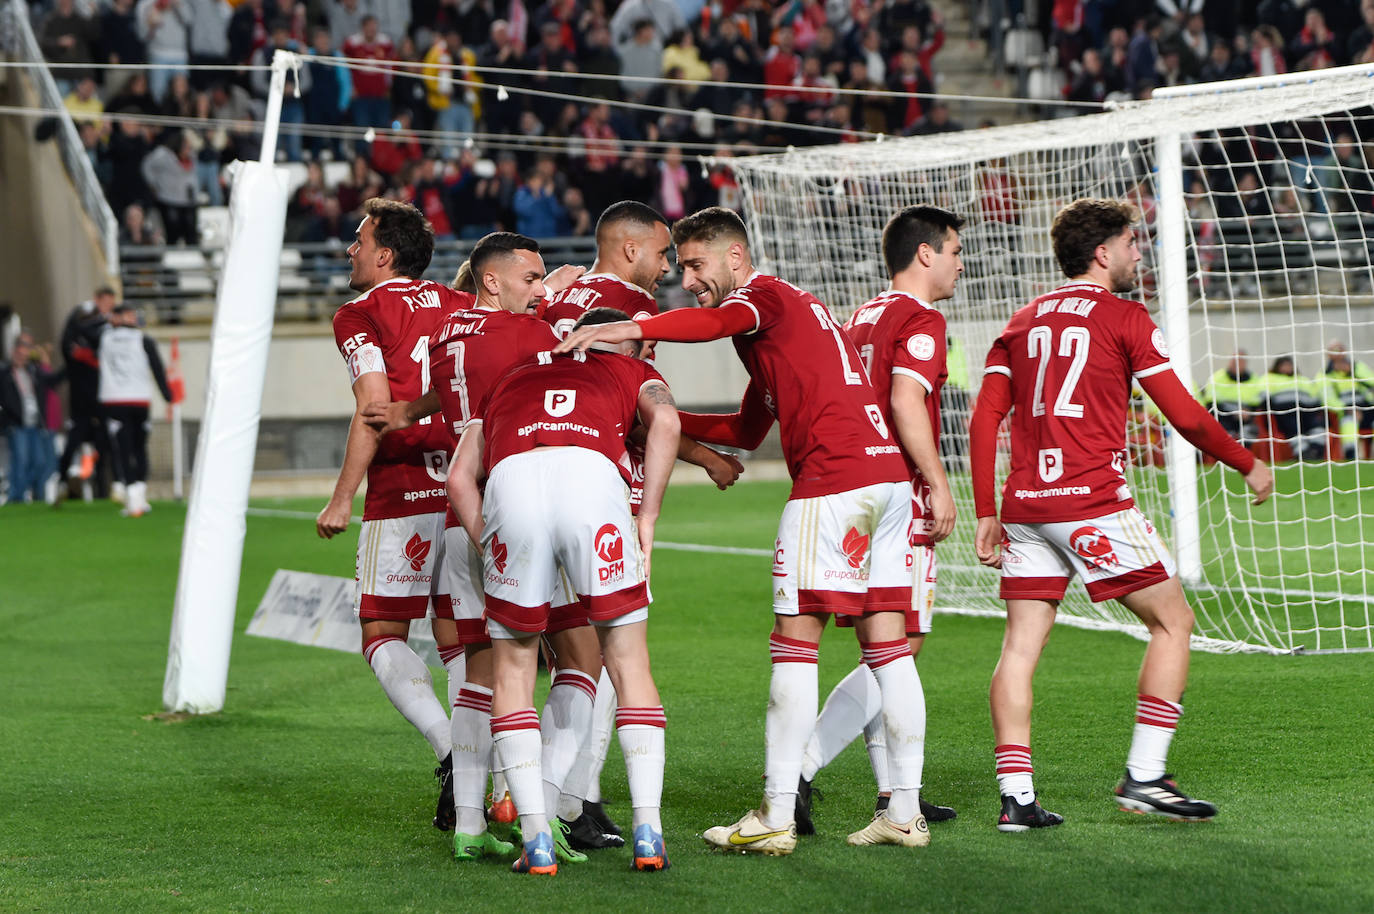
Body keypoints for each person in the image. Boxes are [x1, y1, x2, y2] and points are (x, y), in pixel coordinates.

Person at [559, 206, 931, 853]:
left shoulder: (760, 297)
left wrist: (631, 327)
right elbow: (746, 428)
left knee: (795, 642)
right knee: (888, 649)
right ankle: (903, 812)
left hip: (836, 482)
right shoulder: (793, 319)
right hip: (888, 483)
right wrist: (662, 415)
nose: (689, 280)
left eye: (697, 265)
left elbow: (713, 319)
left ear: (735, 257)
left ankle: (776, 813)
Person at [969, 198, 1273, 831]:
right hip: (1090, 501)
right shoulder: (1124, 317)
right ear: (1103, 253)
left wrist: (985, 510)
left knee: (1020, 647)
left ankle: (1017, 797)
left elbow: (983, 419)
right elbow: (1184, 414)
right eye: (1133, 243)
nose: (1140, 253)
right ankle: (1145, 775)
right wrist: (1247, 461)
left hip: (1024, 504)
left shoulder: (1019, 321)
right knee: (1174, 623)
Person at [537, 201, 745, 851]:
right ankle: (573, 801)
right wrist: (707, 456)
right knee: (603, 656)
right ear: (630, 251)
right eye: (663, 256)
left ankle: (509, 793)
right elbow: (635, 409)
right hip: (602, 491)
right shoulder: (628, 312)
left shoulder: (549, 301)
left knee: (536, 657)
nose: (668, 271)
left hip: (522, 481)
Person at [448, 306, 681, 875]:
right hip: (590, 478)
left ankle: (537, 840)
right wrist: (647, 515)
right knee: (627, 663)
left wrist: (490, 542)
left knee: (514, 669)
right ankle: (648, 832)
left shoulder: (512, 376)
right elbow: (669, 425)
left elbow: (458, 478)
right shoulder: (631, 369)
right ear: (624, 343)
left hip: (512, 484)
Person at [796, 205, 963, 832]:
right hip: (895, 494)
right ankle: (800, 772)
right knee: (899, 645)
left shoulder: (860, 316)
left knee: (881, 643)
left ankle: (895, 794)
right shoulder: (920, 318)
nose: (958, 263)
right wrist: (938, 483)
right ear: (925, 254)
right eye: (952, 250)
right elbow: (905, 398)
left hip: (849, 490)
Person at [317, 198, 473, 834]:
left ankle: (449, 752)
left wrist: (342, 495)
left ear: (384, 254)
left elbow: (374, 406)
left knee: (380, 629)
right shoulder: (460, 306)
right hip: (468, 486)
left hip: (404, 485)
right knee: (460, 634)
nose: (350, 250)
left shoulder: (359, 313)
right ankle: (483, 771)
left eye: (359, 240)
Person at [97, 305, 173, 517]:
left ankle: (134, 497)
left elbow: (79, 333)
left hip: (115, 401)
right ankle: (137, 496)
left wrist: (107, 319)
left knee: (124, 450)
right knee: (138, 449)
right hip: (138, 401)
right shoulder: (142, 339)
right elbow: (158, 368)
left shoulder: (104, 337)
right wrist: (167, 395)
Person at [59, 286, 120, 500]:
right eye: (105, 302)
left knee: (106, 443)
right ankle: (63, 482)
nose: (108, 308)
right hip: (82, 397)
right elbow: (72, 342)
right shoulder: (85, 318)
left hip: (103, 396)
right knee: (74, 440)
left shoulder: (109, 326)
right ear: (97, 300)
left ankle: (109, 488)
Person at [1, 331, 65, 505]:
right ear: (15, 349)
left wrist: (69, 363)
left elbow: (53, 381)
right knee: (21, 461)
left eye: (29, 347)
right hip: (16, 424)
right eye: (22, 346)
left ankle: (26, 492)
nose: (25, 351)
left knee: (39, 461)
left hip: (36, 423)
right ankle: (17, 497)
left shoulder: (34, 371)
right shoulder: (4, 372)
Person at [1256, 356, 1327, 461]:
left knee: (1317, 425)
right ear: (1278, 366)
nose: (1288, 367)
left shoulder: (1303, 380)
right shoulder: (1269, 378)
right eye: (1284, 365)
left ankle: (1315, 451)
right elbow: (1263, 397)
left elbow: (1315, 398)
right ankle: (1302, 452)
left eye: (1289, 365)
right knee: (1293, 425)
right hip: (1283, 412)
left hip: (1304, 411)